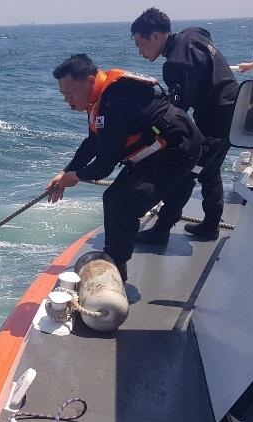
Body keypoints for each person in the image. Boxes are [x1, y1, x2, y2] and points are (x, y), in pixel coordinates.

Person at [46, 53, 203, 282]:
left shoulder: (113, 103)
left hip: (177, 149)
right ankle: (117, 257)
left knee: (123, 203)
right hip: (158, 148)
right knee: (112, 197)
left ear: (90, 81)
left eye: (70, 93)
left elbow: (104, 166)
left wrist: (76, 176)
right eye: (63, 94)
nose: (67, 99)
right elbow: (93, 142)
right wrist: (65, 171)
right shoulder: (101, 97)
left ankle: (116, 270)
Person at [130, 8, 238, 242]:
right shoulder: (193, 34)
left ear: (156, 36)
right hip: (233, 111)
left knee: (186, 172)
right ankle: (210, 226)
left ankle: (161, 231)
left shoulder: (175, 64)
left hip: (216, 120)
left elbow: (178, 110)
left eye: (141, 45)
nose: (140, 52)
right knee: (209, 169)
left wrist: (151, 131)